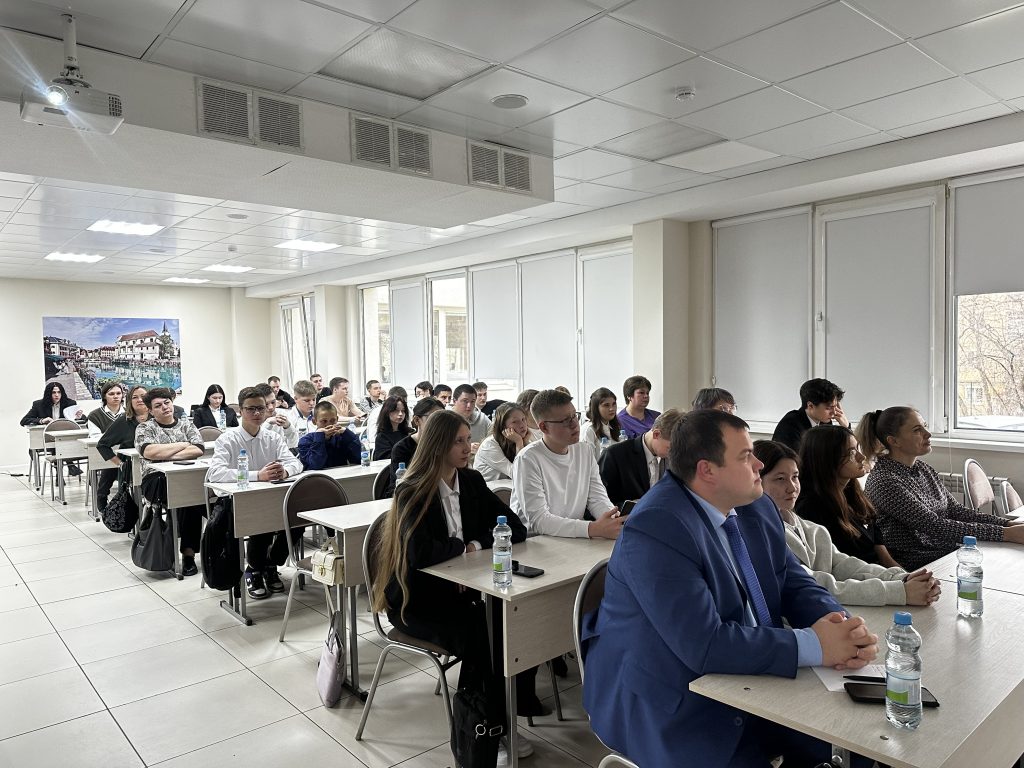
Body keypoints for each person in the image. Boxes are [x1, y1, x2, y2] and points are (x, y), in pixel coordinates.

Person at [581, 409, 879, 768]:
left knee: (858, 746)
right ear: (707, 470)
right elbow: (704, 645)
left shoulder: (756, 505)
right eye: (745, 456)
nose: (758, 464)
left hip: (751, 674)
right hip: (677, 701)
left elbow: (791, 578)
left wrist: (840, 626)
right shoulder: (656, 527)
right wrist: (816, 645)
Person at [369, 409, 547, 752]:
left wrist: (474, 545)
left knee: (515, 627)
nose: (468, 448)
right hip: (416, 601)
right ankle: (484, 727)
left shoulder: (472, 481)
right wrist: (463, 547)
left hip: (463, 594)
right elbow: (420, 553)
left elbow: (515, 528)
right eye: (458, 442)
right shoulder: (412, 491)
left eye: (468, 440)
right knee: (482, 640)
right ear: (437, 446)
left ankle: (500, 714)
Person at [754, 440, 940, 607]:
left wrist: (901, 578)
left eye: (795, 477)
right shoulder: (760, 533)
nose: (792, 487)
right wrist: (899, 592)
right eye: (780, 479)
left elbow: (844, 565)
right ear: (755, 480)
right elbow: (816, 584)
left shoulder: (810, 528)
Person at [862, 407, 1024, 570]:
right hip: (918, 567)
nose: (928, 434)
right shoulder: (884, 481)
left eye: (925, 426)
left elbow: (957, 511)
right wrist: (1005, 534)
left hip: (944, 553)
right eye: (917, 430)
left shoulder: (923, 469)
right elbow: (935, 526)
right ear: (893, 441)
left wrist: (1008, 524)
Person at [206, 386, 304, 598]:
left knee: (299, 518)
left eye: (261, 408)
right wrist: (257, 475)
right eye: (251, 409)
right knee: (261, 523)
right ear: (241, 411)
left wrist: (285, 471)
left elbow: (296, 463)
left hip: (270, 497)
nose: (257, 413)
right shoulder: (228, 439)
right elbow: (215, 473)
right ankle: (254, 569)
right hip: (237, 501)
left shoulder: (272, 437)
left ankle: (270, 563)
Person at [510, 389, 622, 539]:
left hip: (574, 536)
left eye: (575, 416)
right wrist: (592, 529)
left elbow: (597, 498)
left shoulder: (584, 451)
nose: (575, 424)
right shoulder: (528, 459)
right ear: (544, 427)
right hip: (535, 541)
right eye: (565, 421)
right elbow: (539, 521)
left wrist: (612, 519)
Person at [796, 425, 901, 567]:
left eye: (858, 448)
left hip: (878, 572)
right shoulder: (812, 507)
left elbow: (877, 543)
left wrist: (901, 573)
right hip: (857, 576)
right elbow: (840, 565)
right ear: (828, 459)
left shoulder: (852, 492)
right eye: (851, 453)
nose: (861, 457)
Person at [134, 387, 206, 576]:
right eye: (158, 405)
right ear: (151, 411)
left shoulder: (187, 425)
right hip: (155, 480)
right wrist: (183, 444)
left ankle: (193, 553)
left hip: (186, 476)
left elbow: (198, 449)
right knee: (187, 498)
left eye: (167, 403)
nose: (165, 407)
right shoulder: (145, 428)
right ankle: (188, 555)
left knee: (193, 496)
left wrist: (164, 453)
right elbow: (149, 452)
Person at [599, 409, 682, 509]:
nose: (673, 454)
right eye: (670, 448)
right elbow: (600, 502)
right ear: (656, 434)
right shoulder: (614, 455)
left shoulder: (673, 457)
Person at [95, 385, 149, 511]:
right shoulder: (124, 421)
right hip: (131, 467)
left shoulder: (157, 418)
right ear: (129, 401)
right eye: (135, 397)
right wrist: (120, 464)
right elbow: (102, 445)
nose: (140, 400)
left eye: (143, 396)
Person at [386, 397, 445, 497]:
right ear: (417, 420)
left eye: (442, 420)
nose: (439, 424)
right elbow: (397, 487)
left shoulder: (447, 444)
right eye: (433, 418)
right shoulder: (402, 448)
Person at [772, 378, 847, 452]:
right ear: (810, 405)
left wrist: (846, 427)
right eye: (829, 408)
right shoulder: (790, 425)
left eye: (835, 406)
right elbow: (795, 459)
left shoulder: (825, 422)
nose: (834, 412)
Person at [473, 403, 535, 481]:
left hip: (507, 486)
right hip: (488, 487)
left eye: (523, 419)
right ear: (502, 426)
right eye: (515, 422)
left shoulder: (521, 439)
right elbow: (517, 474)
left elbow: (533, 470)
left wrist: (525, 443)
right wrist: (519, 443)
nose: (522, 425)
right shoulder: (489, 446)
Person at [298, 401, 362, 470]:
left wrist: (347, 433)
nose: (329, 425)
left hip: (340, 474)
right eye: (324, 421)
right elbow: (316, 465)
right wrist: (319, 436)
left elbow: (359, 459)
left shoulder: (341, 437)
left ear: (337, 419)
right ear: (314, 421)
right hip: (318, 476)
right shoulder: (305, 441)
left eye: (332, 420)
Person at [581, 387, 624, 460]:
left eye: (614, 404)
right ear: (596, 408)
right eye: (606, 405)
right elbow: (587, 462)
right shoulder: (589, 430)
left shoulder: (613, 426)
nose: (612, 409)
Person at [372, 395, 412, 461]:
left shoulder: (408, 433)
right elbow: (385, 459)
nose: (400, 414)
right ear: (387, 412)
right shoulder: (382, 437)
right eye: (396, 410)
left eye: (403, 411)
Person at [286, 379, 317, 449]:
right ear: (296, 399)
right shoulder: (289, 418)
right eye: (307, 400)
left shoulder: (319, 414)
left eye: (314, 399)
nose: (312, 403)